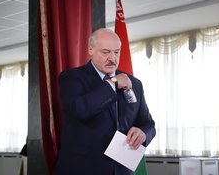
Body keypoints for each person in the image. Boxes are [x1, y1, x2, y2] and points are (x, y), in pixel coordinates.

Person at [54, 28, 156, 175]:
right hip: (82, 169)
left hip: (121, 169)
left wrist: (143, 133)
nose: (112, 58)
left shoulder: (135, 83)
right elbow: (81, 110)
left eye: (116, 52)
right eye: (105, 52)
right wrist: (113, 83)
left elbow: (148, 124)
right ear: (90, 50)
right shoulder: (71, 78)